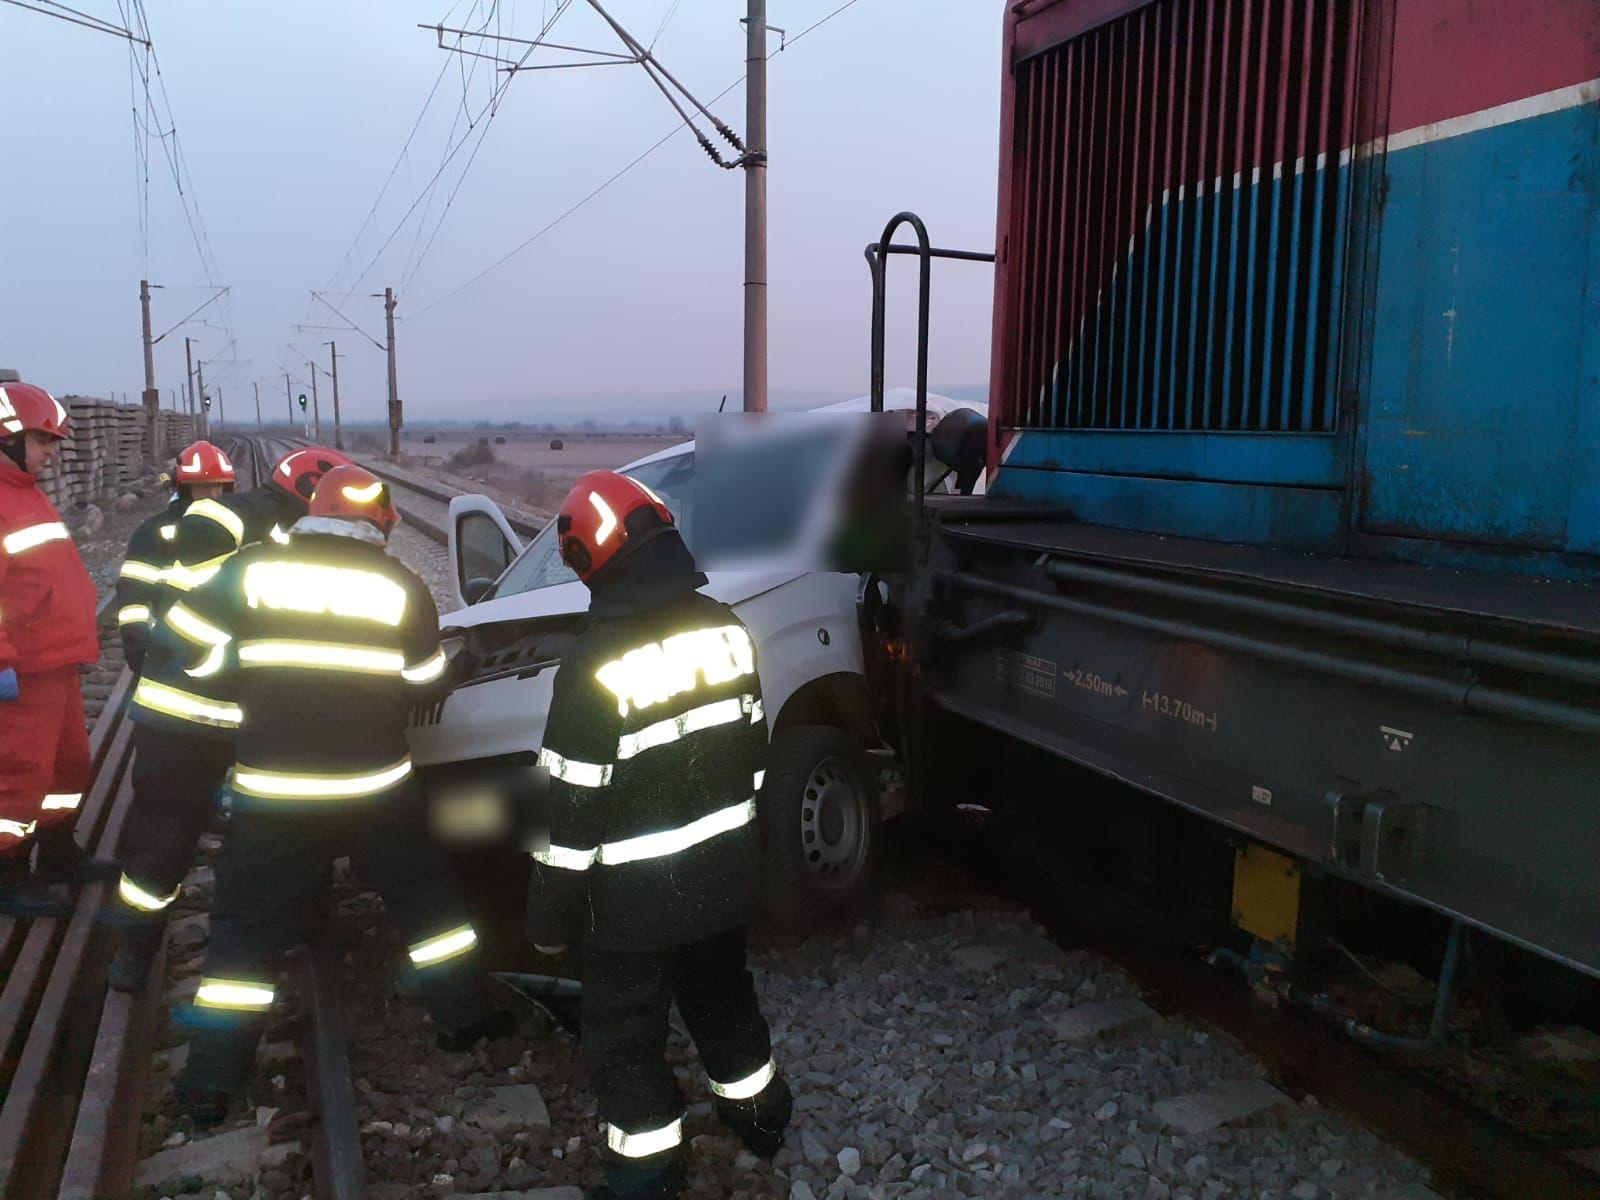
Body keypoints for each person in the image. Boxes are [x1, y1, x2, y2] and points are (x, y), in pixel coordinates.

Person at [167, 465, 511, 1125]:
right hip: (374, 791)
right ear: (381, 522)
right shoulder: (400, 586)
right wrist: (457, 666)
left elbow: (185, 649)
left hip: (274, 795)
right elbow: (423, 684)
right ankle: (464, 1021)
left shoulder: (253, 570)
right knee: (429, 907)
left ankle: (210, 1082)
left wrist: (245, 683)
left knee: (244, 936)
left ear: (312, 512)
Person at [528, 470, 791, 1200]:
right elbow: (755, 754)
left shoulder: (593, 663)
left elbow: (573, 817)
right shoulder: (727, 628)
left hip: (630, 909)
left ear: (589, 558)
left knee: (624, 1039)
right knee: (724, 1001)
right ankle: (762, 1118)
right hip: (723, 877)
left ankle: (646, 1173)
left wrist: (549, 918)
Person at [109, 444, 352, 989]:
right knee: (287, 824)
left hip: (181, 714)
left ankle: (131, 955)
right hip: (234, 712)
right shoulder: (248, 526)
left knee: (161, 839)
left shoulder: (244, 521)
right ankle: (304, 927)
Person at [0, 380, 114, 918]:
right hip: (18, 669)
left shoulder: (23, 489)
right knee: (18, 774)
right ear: (8, 436)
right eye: (43, 441)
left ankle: (58, 854)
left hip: (52, 661)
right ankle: (6, 875)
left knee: (69, 765)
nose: (51, 453)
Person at [115, 439, 237, 676]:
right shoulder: (152, 533)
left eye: (218, 486)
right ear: (184, 487)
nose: (212, 494)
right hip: (172, 652)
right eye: (203, 486)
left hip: (228, 651)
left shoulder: (236, 529)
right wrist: (137, 641)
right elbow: (133, 593)